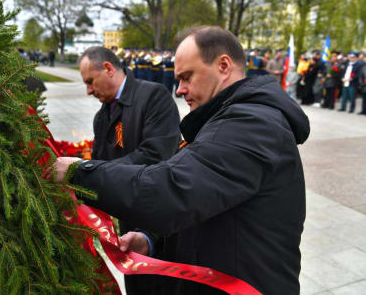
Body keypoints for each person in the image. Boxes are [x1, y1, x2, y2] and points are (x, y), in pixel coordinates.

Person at [53, 26, 310, 295]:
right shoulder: (226, 120)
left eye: (187, 77)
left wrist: (79, 172)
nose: (179, 90)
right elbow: (206, 204)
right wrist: (151, 240)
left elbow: (172, 190)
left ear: (223, 66)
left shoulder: (250, 124)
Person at [78, 46, 181, 294]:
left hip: (160, 226)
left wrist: (92, 171)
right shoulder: (102, 116)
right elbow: (99, 164)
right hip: (128, 228)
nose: (89, 91)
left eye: (91, 81)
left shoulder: (154, 97)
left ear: (108, 68)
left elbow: (156, 154)